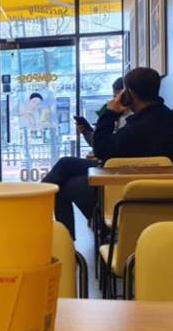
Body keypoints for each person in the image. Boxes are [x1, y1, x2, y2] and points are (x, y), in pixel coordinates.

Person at [43, 67, 173, 240]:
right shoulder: (167, 118)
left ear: (130, 94)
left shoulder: (136, 128)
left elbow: (101, 149)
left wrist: (110, 113)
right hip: (161, 193)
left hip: (124, 192)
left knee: (65, 184)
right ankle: (41, 204)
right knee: (66, 163)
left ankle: (55, 227)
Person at [76, 77, 129, 147]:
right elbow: (98, 144)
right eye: (114, 97)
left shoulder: (131, 118)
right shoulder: (110, 113)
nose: (115, 100)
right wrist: (86, 132)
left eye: (118, 96)